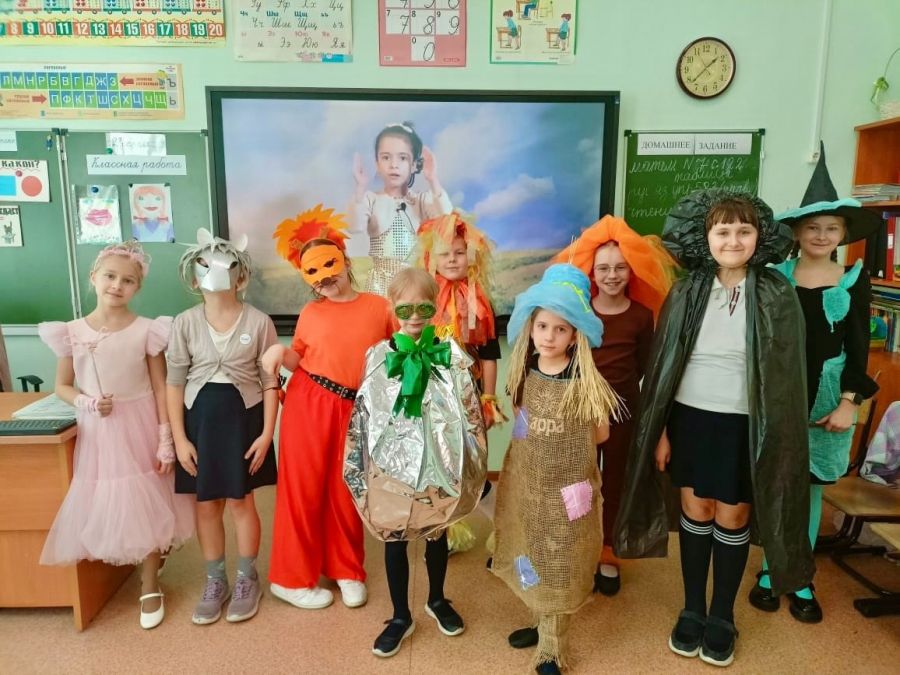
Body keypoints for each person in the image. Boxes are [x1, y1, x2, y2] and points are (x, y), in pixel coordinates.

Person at [613, 190, 814, 667]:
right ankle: (692, 608)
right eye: (723, 231)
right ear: (706, 237)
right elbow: (663, 369)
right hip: (691, 419)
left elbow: (787, 376)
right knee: (697, 509)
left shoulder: (776, 293)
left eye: (744, 230)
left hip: (746, 423)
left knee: (734, 516)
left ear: (759, 236)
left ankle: (722, 613)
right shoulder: (686, 291)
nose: (733, 240)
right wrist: (662, 430)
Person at [748, 144, 880, 623]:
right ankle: (771, 568)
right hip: (780, 394)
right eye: (813, 227)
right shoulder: (775, 277)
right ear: (798, 232)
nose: (821, 235)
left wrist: (850, 402)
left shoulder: (852, 279)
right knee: (777, 484)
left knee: (810, 488)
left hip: (828, 399)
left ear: (842, 233)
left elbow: (860, 347)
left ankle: (799, 575)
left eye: (831, 228)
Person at [38, 241, 193, 629]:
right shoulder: (71, 332)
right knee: (116, 500)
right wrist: (87, 402)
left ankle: (150, 582)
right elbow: (62, 385)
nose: (117, 285)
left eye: (128, 280)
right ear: (93, 277)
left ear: (138, 287)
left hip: (140, 423)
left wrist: (165, 438)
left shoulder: (147, 330)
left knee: (149, 499)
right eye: (110, 276)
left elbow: (160, 386)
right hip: (100, 431)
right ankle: (136, 564)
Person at [344, 267, 487, 658]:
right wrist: (363, 465)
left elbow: (469, 412)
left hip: (438, 464)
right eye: (404, 309)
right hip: (390, 469)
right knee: (395, 539)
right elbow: (364, 415)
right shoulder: (378, 356)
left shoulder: (449, 354)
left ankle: (437, 599)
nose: (414, 317)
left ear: (435, 307)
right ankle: (399, 616)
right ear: (392, 308)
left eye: (423, 307)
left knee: (437, 532)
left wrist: (469, 461)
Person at [265, 205, 396, 611]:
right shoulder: (311, 312)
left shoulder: (379, 306)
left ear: (344, 260)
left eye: (329, 266)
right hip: (309, 401)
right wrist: (278, 353)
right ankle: (290, 578)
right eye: (313, 273)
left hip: (355, 408)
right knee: (302, 489)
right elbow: (299, 357)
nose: (324, 278)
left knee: (346, 489)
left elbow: (398, 355)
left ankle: (346, 569)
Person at [492, 263, 620, 675]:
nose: (549, 336)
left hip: (569, 490)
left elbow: (600, 433)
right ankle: (538, 615)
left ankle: (552, 646)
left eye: (560, 329)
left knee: (562, 558)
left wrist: (564, 445)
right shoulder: (523, 371)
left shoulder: (584, 379)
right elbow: (522, 421)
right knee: (530, 548)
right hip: (530, 484)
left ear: (575, 335)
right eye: (543, 326)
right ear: (531, 327)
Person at [554, 215, 676, 595]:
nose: (611, 275)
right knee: (578, 480)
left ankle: (608, 552)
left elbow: (644, 367)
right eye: (603, 268)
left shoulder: (640, 316)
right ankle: (577, 547)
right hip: (581, 412)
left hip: (624, 412)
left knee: (616, 482)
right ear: (591, 271)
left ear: (631, 270)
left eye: (620, 267)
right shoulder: (578, 313)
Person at [167, 228, 279, 625]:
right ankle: (215, 580)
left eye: (227, 267)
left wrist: (266, 435)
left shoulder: (260, 321)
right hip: (199, 423)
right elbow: (174, 382)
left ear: (241, 275)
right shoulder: (184, 323)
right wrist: (179, 439)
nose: (216, 275)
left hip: (243, 421)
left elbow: (270, 382)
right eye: (205, 267)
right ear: (194, 277)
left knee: (241, 501)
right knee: (206, 503)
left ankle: (248, 578)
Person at [417, 211, 506, 554]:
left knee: (472, 469)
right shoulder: (425, 301)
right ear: (432, 258)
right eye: (445, 254)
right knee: (440, 466)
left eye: (459, 252)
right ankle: (449, 533)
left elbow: (489, 354)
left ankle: (504, 527)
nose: (452, 259)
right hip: (434, 399)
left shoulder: (479, 301)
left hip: (468, 397)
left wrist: (488, 399)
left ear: (471, 256)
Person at [349, 122, 452, 296]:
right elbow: (354, 226)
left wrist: (433, 179)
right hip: (381, 286)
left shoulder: (421, 201)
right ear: (377, 164)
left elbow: (447, 220)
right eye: (386, 158)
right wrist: (360, 187)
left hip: (416, 285)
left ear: (414, 165)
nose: (393, 165)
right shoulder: (370, 199)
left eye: (402, 158)